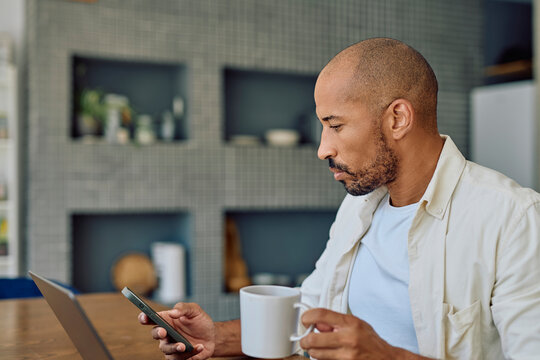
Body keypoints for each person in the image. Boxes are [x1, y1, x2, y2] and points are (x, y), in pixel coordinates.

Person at [139, 38, 540, 359]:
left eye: (335, 126)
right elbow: (309, 317)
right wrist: (218, 337)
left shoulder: (515, 219)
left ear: (398, 118)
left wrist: (384, 357)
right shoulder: (359, 206)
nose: (322, 148)